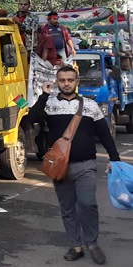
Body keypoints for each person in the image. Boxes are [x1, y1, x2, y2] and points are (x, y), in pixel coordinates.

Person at [30, 66, 120, 265]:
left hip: (86, 164)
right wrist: (44, 95)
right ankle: (76, 245)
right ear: (57, 81)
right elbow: (31, 119)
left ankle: (92, 243)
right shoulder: (50, 104)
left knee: (88, 204)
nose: (66, 83)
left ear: (76, 81)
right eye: (62, 80)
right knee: (67, 207)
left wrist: (115, 159)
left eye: (70, 80)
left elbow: (104, 133)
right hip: (59, 167)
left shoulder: (89, 105)